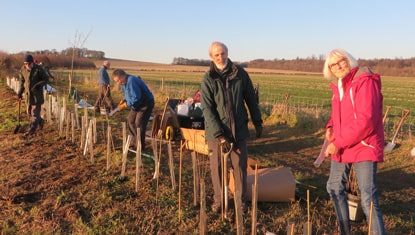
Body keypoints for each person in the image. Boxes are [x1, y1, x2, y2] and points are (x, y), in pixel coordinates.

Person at [323, 49, 386, 234]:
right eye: (332, 65)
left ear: (348, 60)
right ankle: (345, 231)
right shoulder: (340, 85)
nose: (338, 67)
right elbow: (338, 114)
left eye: (341, 61)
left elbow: (365, 121)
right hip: (344, 144)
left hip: (364, 145)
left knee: (368, 197)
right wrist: (330, 127)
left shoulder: (364, 81)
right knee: (334, 187)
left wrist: (337, 143)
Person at [201, 42, 263, 212]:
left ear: (227, 52)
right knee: (218, 168)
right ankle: (220, 200)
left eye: (222, 53)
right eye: (216, 55)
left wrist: (257, 121)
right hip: (216, 133)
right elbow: (207, 109)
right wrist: (220, 135)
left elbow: (251, 99)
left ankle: (240, 200)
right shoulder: (208, 79)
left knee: (240, 167)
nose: (220, 57)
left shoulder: (240, 74)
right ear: (211, 57)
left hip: (239, 130)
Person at [111, 69, 154, 149]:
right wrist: (124, 100)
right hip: (137, 104)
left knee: (139, 124)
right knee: (130, 121)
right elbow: (128, 94)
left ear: (121, 77)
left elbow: (136, 98)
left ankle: (140, 146)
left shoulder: (131, 81)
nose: (118, 83)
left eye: (117, 81)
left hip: (146, 103)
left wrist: (125, 105)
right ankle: (135, 142)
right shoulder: (124, 82)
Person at [17, 54, 49, 135]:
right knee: (29, 113)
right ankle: (40, 121)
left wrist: (39, 85)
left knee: (35, 113)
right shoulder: (22, 70)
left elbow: (46, 79)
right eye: (26, 63)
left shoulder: (38, 69)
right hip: (28, 95)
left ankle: (31, 130)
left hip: (36, 96)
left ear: (32, 62)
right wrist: (20, 93)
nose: (27, 65)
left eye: (29, 63)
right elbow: (22, 82)